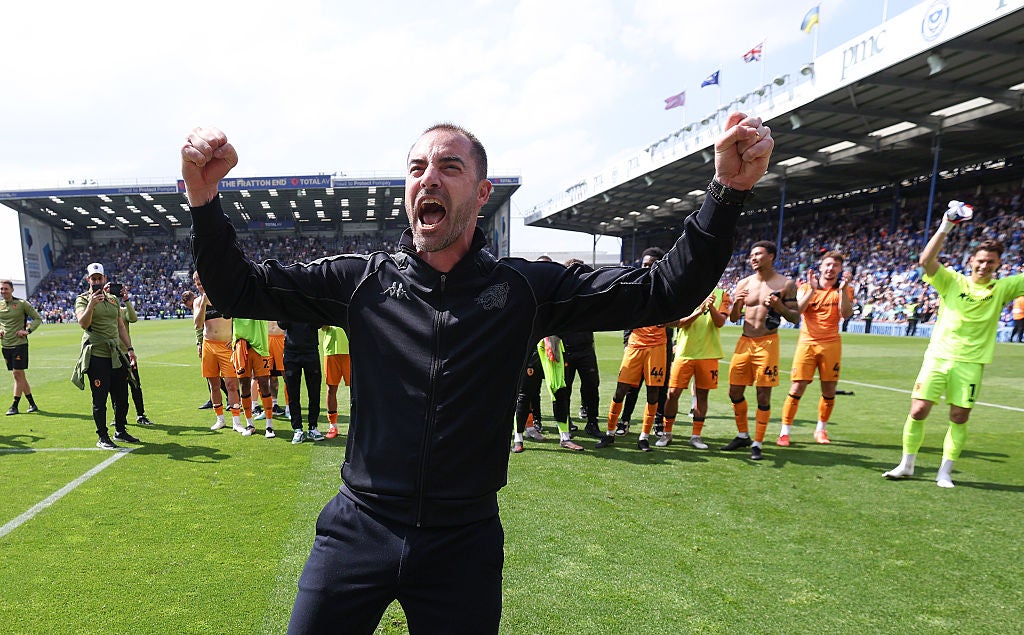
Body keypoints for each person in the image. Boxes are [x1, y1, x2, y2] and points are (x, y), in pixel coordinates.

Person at [183, 114, 773, 633]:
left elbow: (662, 292)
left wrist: (726, 193)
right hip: (357, 528)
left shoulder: (521, 290)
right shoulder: (360, 282)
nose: (428, 178)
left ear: (482, 192)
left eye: (449, 166)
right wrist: (203, 200)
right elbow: (238, 288)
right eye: (416, 168)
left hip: (462, 541)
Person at [884, 201, 1024, 488]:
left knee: (959, 416)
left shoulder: (1002, 288)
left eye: (991, 262)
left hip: (970, 363)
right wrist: (947, 224)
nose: (984, 265)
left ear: (999, 264)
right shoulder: (952, 281)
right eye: (980, 260)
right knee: (918, 411)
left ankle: (944, 472)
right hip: (938, 357)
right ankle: (906, 464)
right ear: (971, 260)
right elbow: (925, 261)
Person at [722, 241, 800, 460]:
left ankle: (757, 442)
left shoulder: (786, 284)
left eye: (758, 254)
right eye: (751, 255)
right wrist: (737, 304)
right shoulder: (744, 283)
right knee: (734, 392)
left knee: (763, 394)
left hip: (767, 342)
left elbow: (795, 317)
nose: (753, 258)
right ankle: (743, 434)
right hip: (745, 341)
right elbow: (735, 318)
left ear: (771, 256)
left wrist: (779, 307)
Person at [595, 247, 669, 452]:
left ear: (659, 265)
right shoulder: (636, 285)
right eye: (644, 264)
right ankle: (609, 433)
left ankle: (644, 437)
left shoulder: (667, 289)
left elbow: (677, 318)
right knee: (621, 391)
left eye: (651, 264)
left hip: (657, 347)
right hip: (636, 345)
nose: (646, 268)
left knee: (653, 393)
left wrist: (669, 321)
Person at [778, 251, 854, 446]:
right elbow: (798, 311)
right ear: (821, 267)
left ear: (840, 269)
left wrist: (844, 291)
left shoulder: (844, 289)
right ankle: (784, 432)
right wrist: (812, 290)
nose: (830, 268)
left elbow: (846, 314)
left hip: (831, 344)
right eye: (827, 264)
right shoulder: (804, 287)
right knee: (797, 386)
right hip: (807, 343)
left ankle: (821, 429)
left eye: (835, 265)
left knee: (829, 389)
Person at [72, 263, 141, 449]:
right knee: (100, 398)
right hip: (96, 354)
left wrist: (130, 348)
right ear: (88, 280)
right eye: (93, 278)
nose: (96, 281)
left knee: (121, 396)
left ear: (104, 279)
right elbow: (83, 323)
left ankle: (120, 430)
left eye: (99, 278)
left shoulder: (112, 300)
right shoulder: (82, 299)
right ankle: (102, 436)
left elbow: (120, 326)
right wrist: (92, 304)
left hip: (116, 354)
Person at [661, 286, 730, 448]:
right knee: (672, 393)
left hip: (709, 354)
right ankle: (667, 433)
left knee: (702, 396)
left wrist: (711, 306)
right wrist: (699, 311)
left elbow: (720, 322)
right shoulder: (686, 291)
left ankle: (696, 436)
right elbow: (674, 322)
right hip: (684, 352)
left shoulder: (722, 294)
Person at [193, 272, 242, 431]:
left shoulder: (225, 297)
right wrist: (203, 305)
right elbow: (198, 325)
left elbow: (238, 319)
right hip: (209, 345)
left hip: (226, 346)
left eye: (201, 281)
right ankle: (220, 419)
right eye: (197, 283)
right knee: (213, 384)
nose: (199, 285)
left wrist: (235, 338)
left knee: (231, 384)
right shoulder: (198, 302)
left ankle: (236, 421)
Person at [561, 259, 602, 438]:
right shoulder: (560, 294)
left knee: (592, 386)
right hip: (566, 350)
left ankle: (592, 423)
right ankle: (565, 423)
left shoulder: (590, 294)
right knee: (564, 389)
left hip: (585, 349)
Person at [108, 281, 155, 426]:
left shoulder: (122, 310)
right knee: (114, 388)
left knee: (135, 385)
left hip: (126, 354)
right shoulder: (105, 310)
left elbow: (133, 318)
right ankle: (118, 417)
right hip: (112, 354)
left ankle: (141, 414)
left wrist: (126, 300)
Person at [277, 320, 325, 443]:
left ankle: (313, 427)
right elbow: (282, 324)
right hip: (291, 353)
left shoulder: (311, 301)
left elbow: (319, 323)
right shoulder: (287, 302)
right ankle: (297, 429)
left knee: (314, 392)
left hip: (311, 351)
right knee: (293, 394)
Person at [0, 279, 41, 415]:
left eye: (6, 289)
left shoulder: (22, 304)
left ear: (12, 290)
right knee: (19, 376)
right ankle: (32, 404)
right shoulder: (0, 305)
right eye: (1, 289)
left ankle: (14, 405)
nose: (3, 291)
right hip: (5, 345)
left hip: (19, 345)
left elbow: (37, 318)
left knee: (17, 374)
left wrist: (28, 331)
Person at [231, 318, 276, 437]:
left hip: (260, 346)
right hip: (241, 345)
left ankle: (269, 425)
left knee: (264, 385)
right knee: (244, 386)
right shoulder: (236, 301)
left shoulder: (259, 299)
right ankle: (249, 424)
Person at [320, 325, 350, 439]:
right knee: (331, 388)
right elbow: (322, 327)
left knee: (356, 388)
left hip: (350, 350)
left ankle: (359, 423)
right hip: (331, 349)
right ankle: (333, 426)